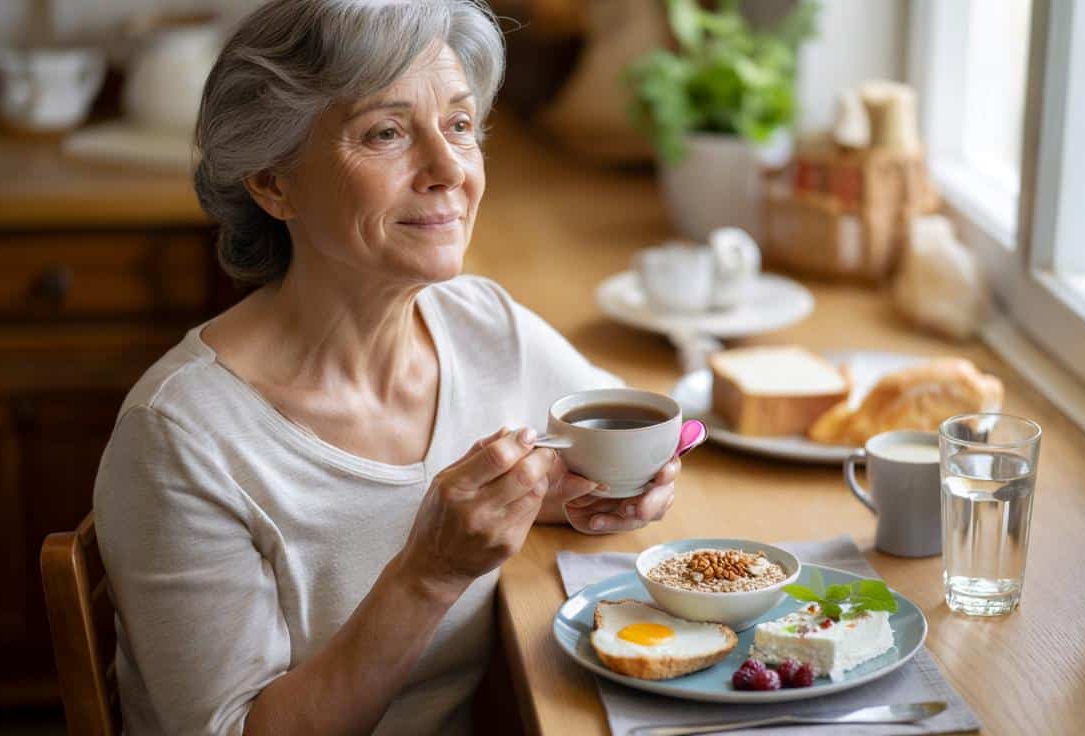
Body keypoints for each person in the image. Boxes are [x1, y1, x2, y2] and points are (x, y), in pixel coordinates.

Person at [92, 2, 679, 733]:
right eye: (387, 132)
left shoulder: (481, 325)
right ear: (273, 182)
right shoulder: (182, 437)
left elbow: (649, 430)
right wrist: (430, 572)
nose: (448, 170)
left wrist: (608, 488)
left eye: (460, 125)